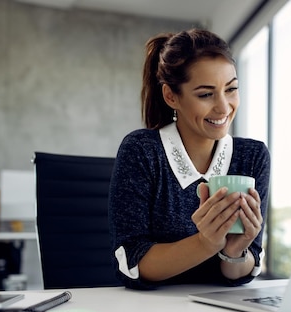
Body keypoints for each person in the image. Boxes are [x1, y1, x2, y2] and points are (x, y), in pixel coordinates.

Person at [109, 28, 271, 290]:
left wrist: (234, 253)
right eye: (206, 94)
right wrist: (205, 243)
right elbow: (132, 263)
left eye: (231, 89)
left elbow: (244, 266)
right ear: (171, 96)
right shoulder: (142, 151)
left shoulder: (252, 157)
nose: (223, 107)